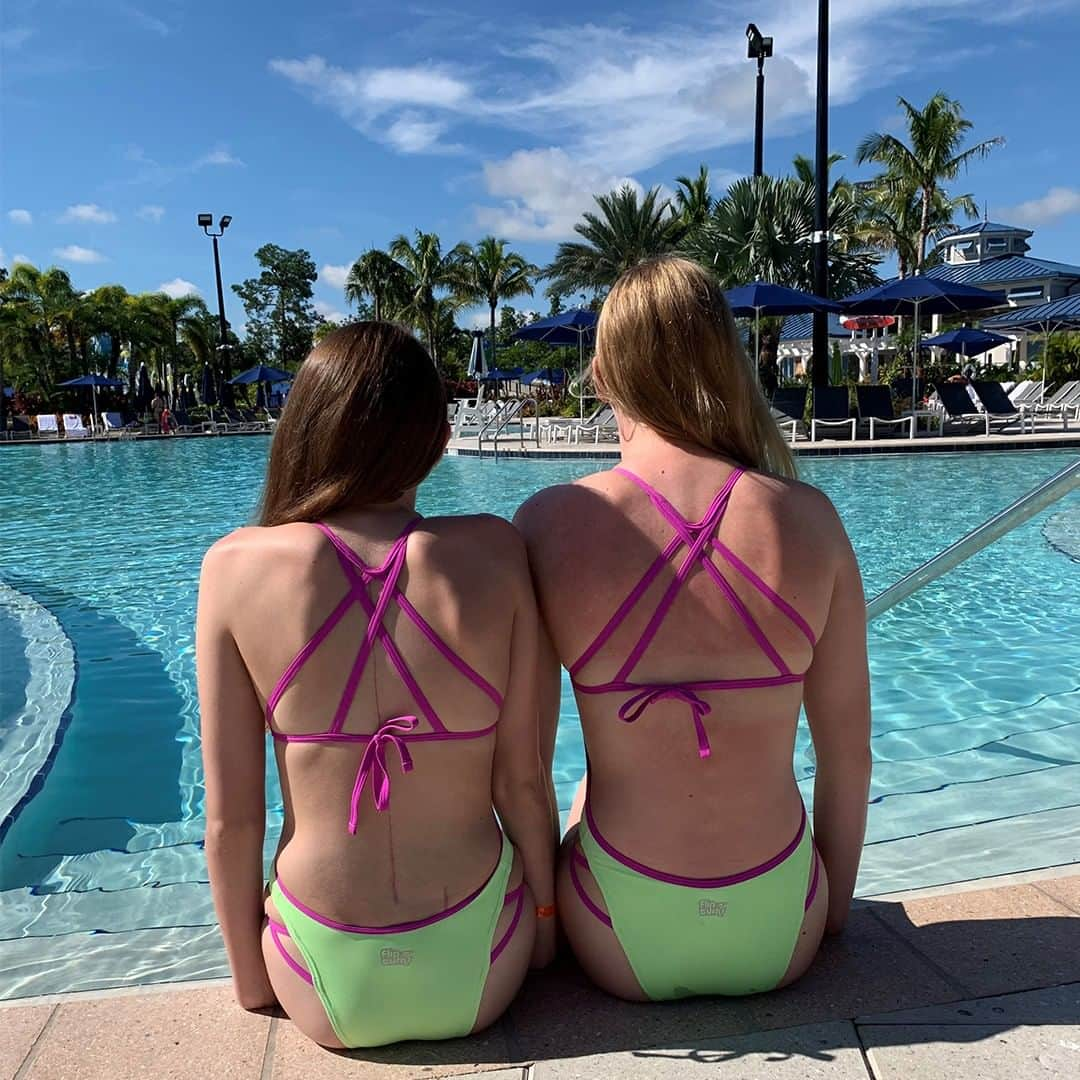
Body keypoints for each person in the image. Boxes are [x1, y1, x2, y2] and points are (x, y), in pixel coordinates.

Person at [515, 257, 871, 1003]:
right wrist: (829, 917)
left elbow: (523, 767)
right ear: (726, 361)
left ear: (606, 373)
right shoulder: (812, 519)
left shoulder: (549, 522)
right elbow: (849, 758)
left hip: (617, 933)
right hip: (783, 928)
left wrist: (543, 925)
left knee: (584, 791)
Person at [197, 322, 555, 1049]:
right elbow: (522, 784)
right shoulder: (493, 551)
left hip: (318, 974)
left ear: (306, 429)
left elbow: (232, 821)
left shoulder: (235, 567)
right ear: (432, 434)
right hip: (484, 962)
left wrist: (249, 979)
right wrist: (544, 930)